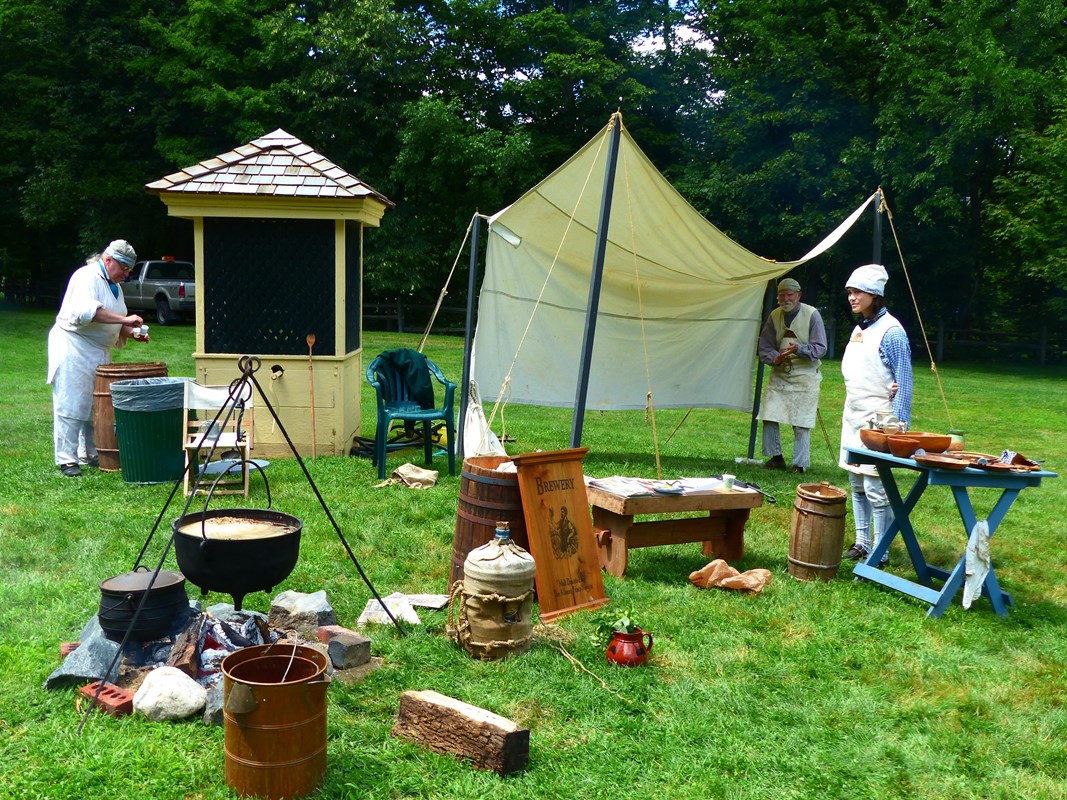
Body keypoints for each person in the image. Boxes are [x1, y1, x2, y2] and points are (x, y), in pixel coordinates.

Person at [47, 240, 150, 477]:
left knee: (97, 402)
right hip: (73, 344)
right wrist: (125, 321)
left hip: (99, 349)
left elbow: (114, 320)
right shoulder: (86, 277)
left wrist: (131, 332)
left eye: (129, 268)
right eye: (123, 266)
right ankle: (67, 459)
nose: (126, 272)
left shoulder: (115, 285)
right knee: (72, 400)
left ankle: (90, 453)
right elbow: (88, 313)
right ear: (108, 260)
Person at [839, 263, 913, 564]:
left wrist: (899, 424)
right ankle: (862, 541)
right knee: (856, 481)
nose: (852, 297)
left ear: (874, 294)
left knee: (875, 485)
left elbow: (905, 379)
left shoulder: (892, 332)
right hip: (854, 415)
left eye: (857, 292)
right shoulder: (860, 328)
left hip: (879, 419)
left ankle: (879, 551)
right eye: (849, 292)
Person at [757, 277, 827, 474]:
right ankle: (776, 457)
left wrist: (799, 349)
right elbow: (765, 347)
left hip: (805, 375)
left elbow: (820, 348)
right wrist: (776, 358)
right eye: (782, 294)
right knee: (769, 415)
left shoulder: (812, 315)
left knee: (801, 421)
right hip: (780, 373)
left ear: (799, 296)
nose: (785, 298)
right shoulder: (774, 316)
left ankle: (800, 464)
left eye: (790, 294)